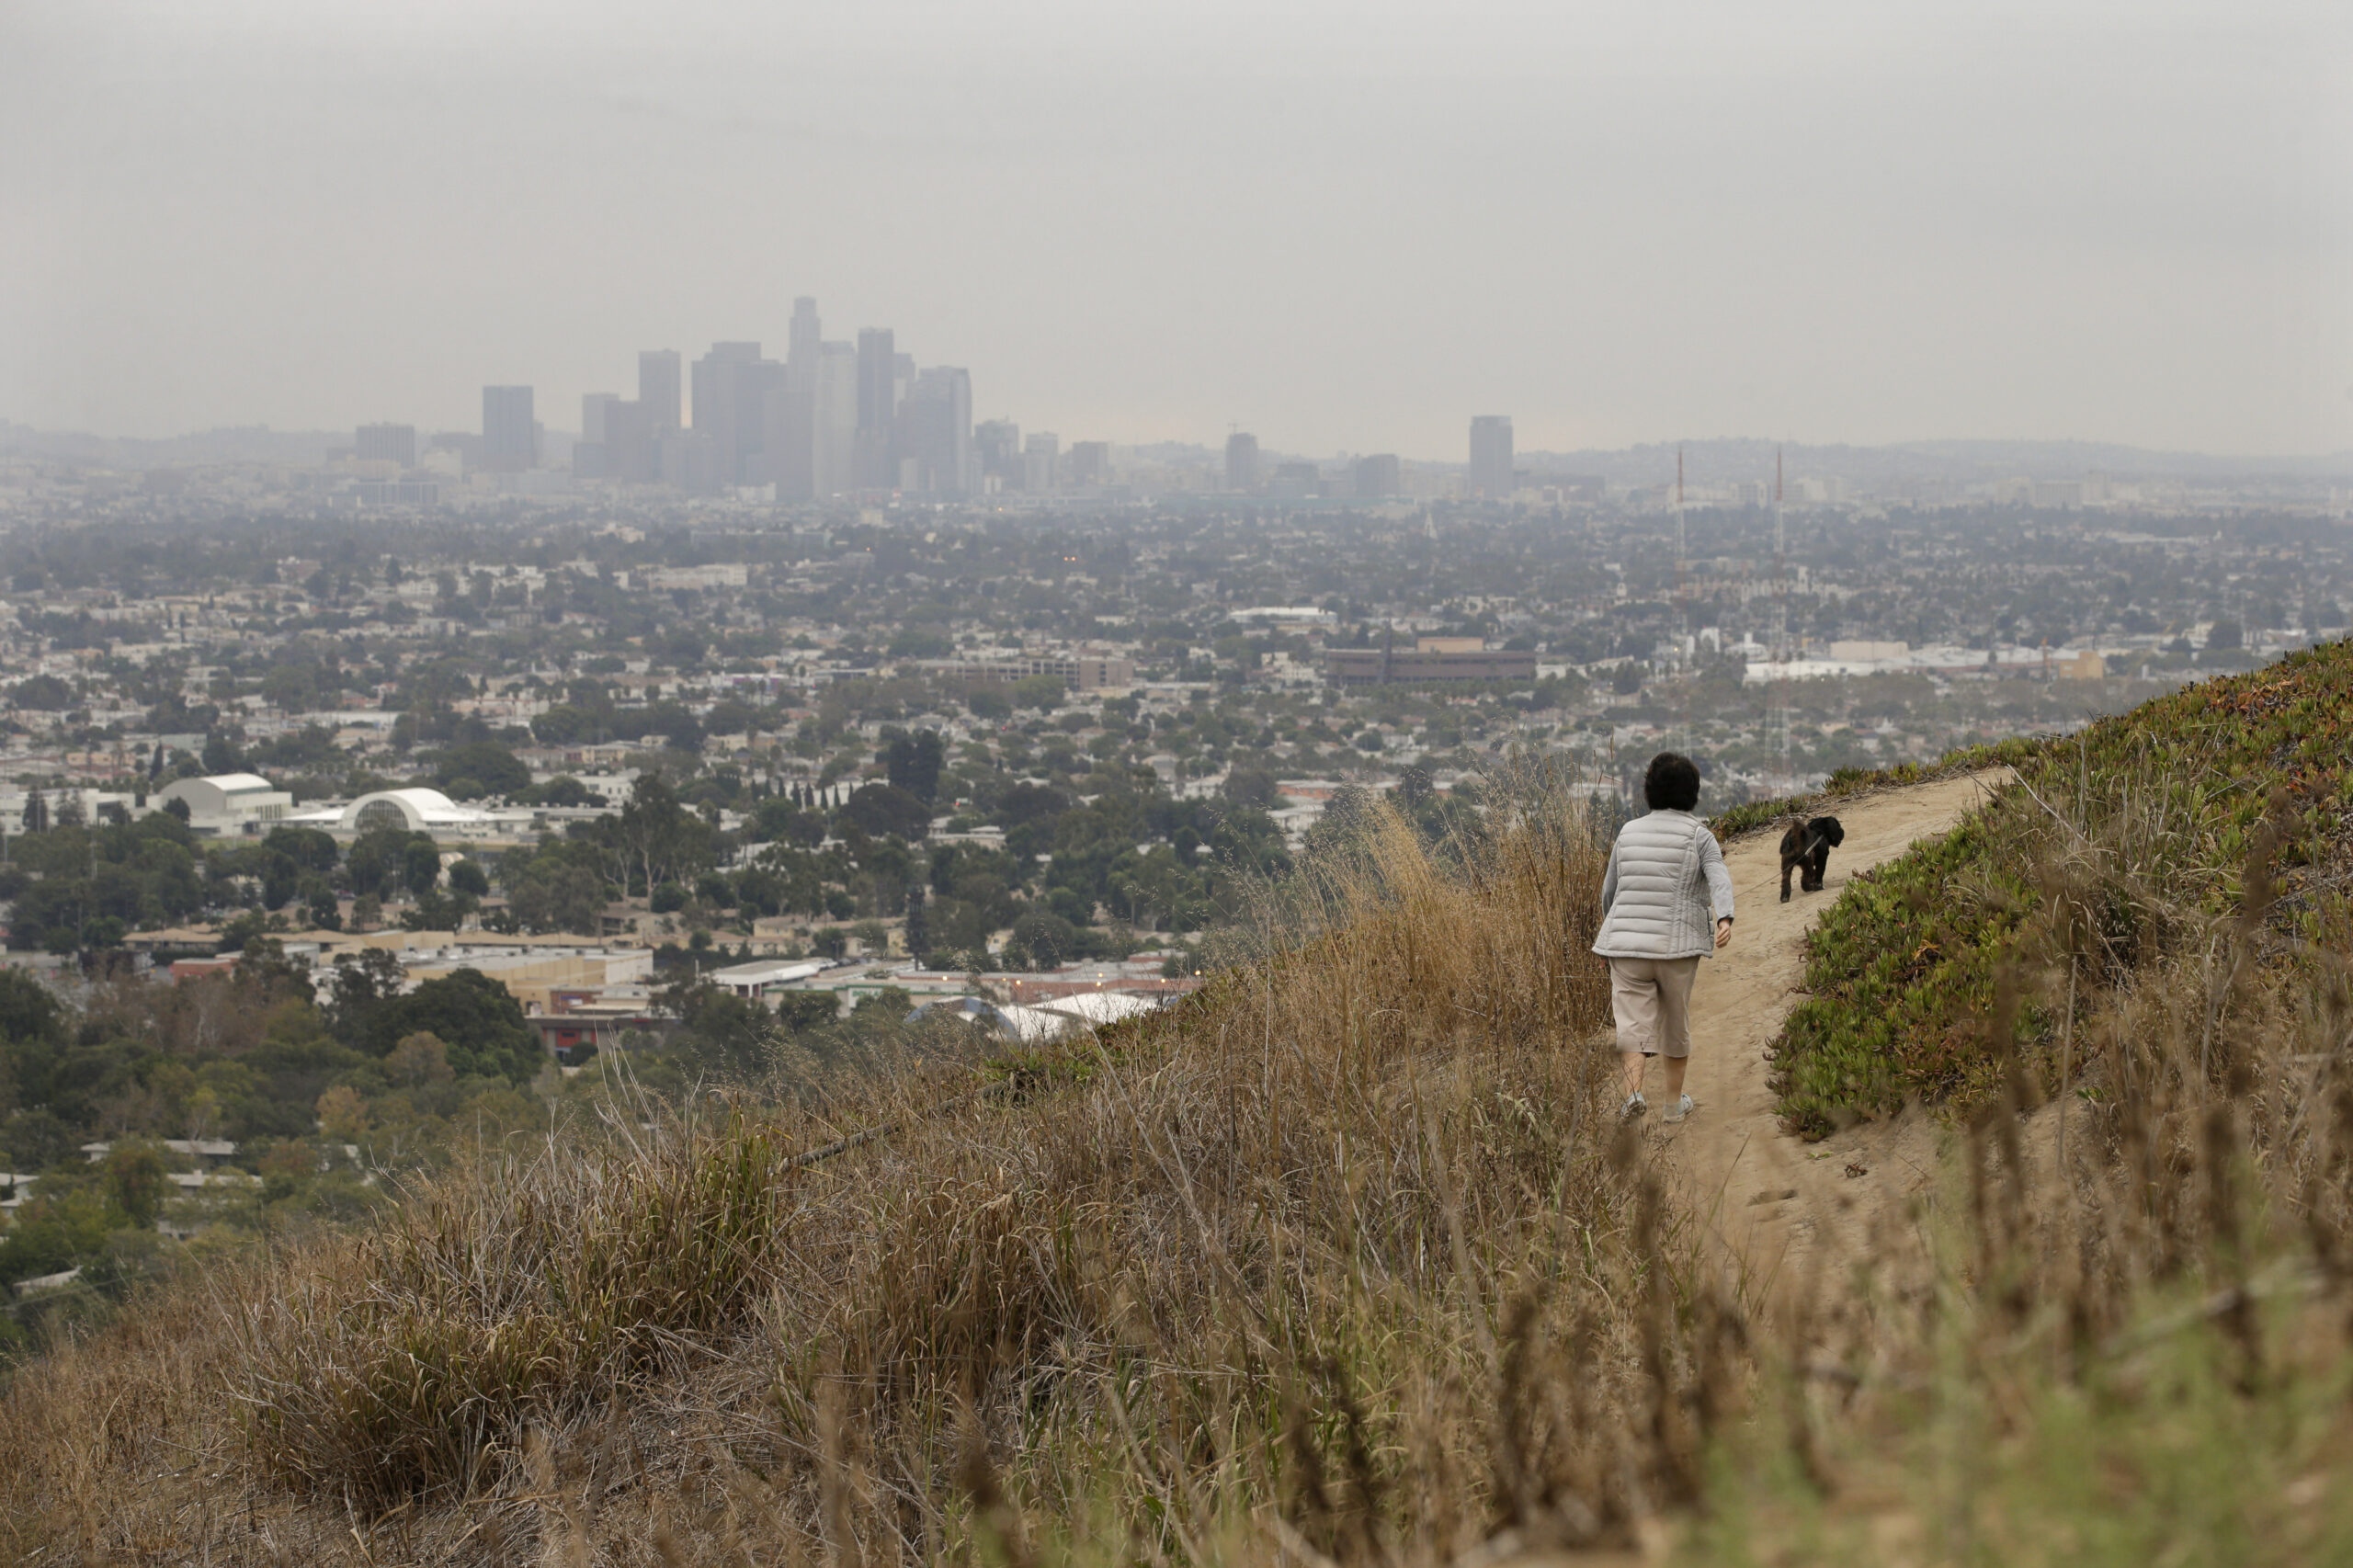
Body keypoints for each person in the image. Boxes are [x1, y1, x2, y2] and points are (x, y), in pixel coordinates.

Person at [1592, 752, 1733, 1122]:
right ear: (1693, 794)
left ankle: (1634, 1095)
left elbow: (1610, 891)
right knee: (1675, 1021)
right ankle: (1673, 1106)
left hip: (1627, 947)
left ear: (1649, 792)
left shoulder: (1628, 832)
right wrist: (1725, 917)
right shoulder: (1700, 836)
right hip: (1677, 949)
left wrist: (1612, 931)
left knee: (1632, 1024)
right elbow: (1719, 876)